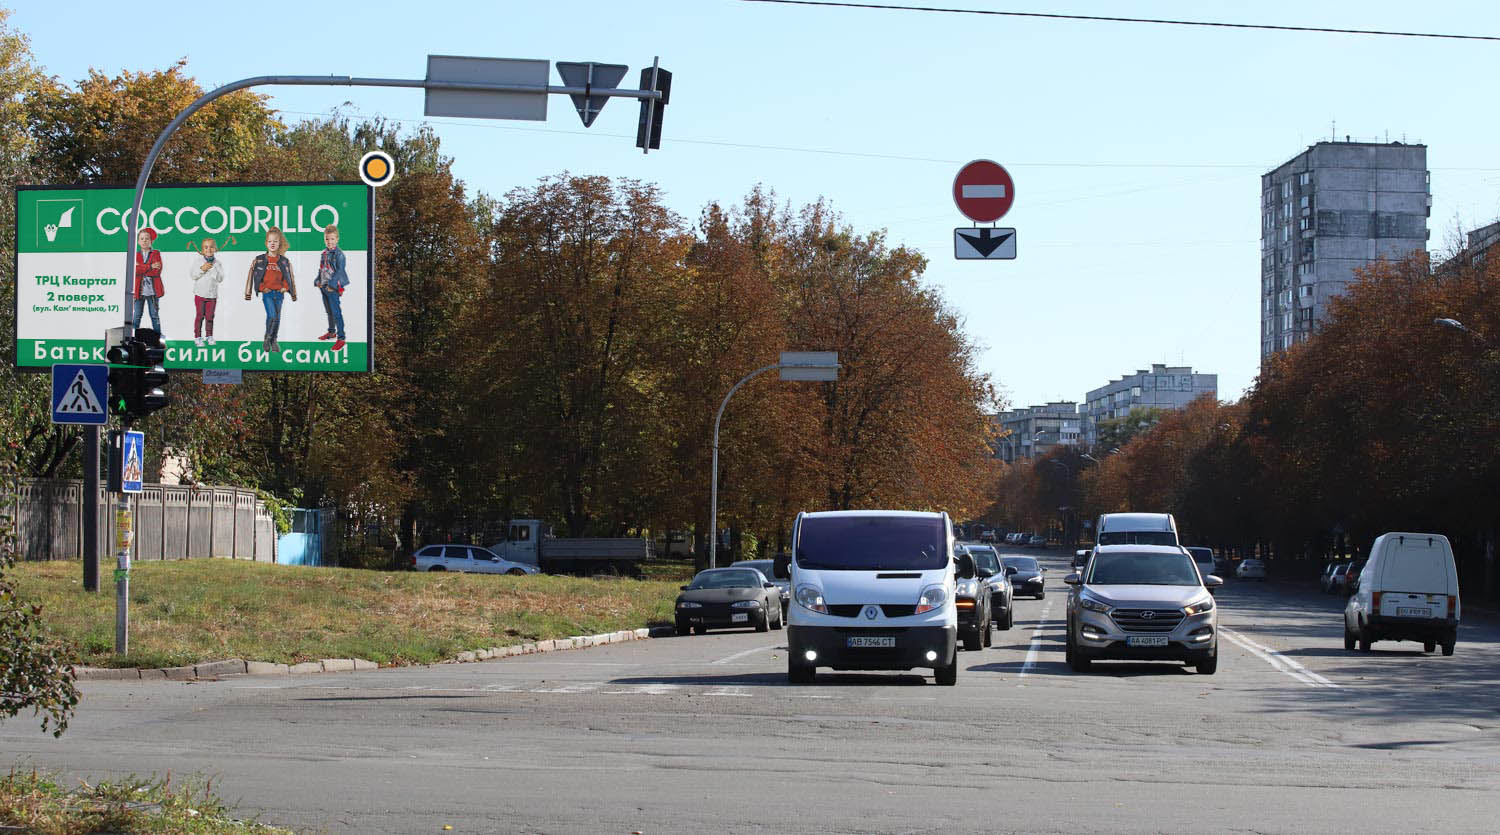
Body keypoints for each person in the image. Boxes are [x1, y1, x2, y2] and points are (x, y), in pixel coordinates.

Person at [243, 226, 297, 353]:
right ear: (266, 243)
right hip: (267, 294)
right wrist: (259, 289)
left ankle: (274, 340)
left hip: (279, 294)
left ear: (279, 243)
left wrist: (287, 288)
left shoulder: (284, 261)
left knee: (277, 318)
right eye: (270, 241)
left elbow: (289, 277)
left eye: (275, 241)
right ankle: (267, 338)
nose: (272, 244)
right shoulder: (259, 259)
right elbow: (253, 276)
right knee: (272, 315)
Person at [313, 223, 349, 351]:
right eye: (327, 239)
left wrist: (332, 286)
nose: (329, 242)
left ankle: (341, 337)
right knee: (329, 311)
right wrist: (318, 280)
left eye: (332, 239)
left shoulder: (339, 255)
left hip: (333, 287)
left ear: (337, 239)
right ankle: (331, 332)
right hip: (323, 286)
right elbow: (322, 269)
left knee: (336, 312)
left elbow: (340, 271)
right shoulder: (324, 254)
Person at [190, 236, 225, 347]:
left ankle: (209, 336)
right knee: (200, 315)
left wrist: (213, 270)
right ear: (202, 250)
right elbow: (193, 275)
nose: (209, 249)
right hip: (200, 294)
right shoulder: (198, 262)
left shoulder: (217, 264)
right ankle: (198, 337)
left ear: (215, 248)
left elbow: (220, 278)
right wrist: (202, 269)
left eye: (211, 247)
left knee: (210, 317)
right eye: (206, 247)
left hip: (212, 295)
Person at [131, 227, 164, 336]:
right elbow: (134, 271)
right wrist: (150, 266)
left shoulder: (155, 254)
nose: (144, 241)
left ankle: (158, 337)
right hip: (138, 292)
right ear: (138, 241)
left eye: (147, 239)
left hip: (153, 292)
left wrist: (142, 269)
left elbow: (156, 272)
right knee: (136, 316)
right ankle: (133, 338)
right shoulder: (135, 255)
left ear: (151, 241)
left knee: (154, 315)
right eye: (142, 239)